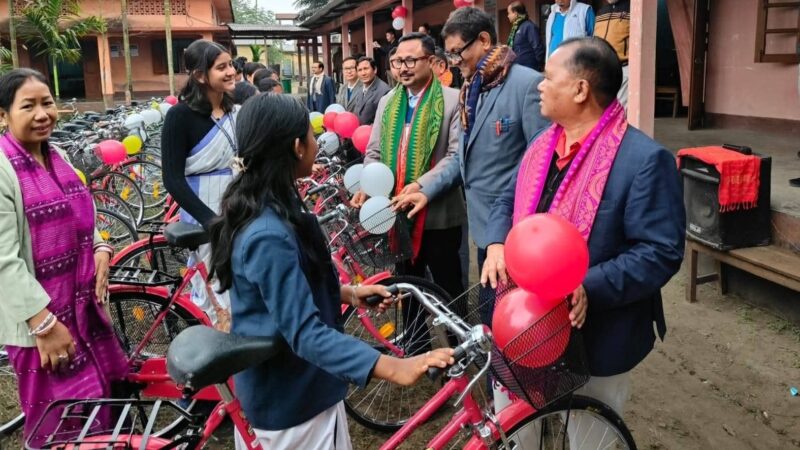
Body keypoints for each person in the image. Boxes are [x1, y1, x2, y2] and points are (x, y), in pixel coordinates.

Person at [207, 94, 454, 449]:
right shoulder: (268, 232)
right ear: (296, 147)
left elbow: (279, 290)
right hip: (295, 402)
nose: (315, 144)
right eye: (310, 135)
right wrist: (393, 367)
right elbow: (305, 333)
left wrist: (347, 293)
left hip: (289, 390)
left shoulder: (268, 203)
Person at [482, 37, 685, 439]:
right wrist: (496, 244)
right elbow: (506, 200)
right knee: (517, 430)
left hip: (598, 331)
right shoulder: (542, 144)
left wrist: (585, 284)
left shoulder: (643, 159)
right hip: (523, 320)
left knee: (589, 437)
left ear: (580, 89)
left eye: (548, 77)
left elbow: (659, 251)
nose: (539, 85)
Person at [0, 68, 127, 445]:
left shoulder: (56, 155)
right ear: (3, 115)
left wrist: (101, 246)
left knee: (97, 411)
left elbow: (82, 217)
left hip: (82, 311)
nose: (42, 114)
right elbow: (4, 260)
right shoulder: (4, 170)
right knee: (58, 423)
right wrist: (44, 325)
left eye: (47, 103)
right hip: (40, 326)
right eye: (28, 106)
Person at [354, 32, 467, 349]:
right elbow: (374, 152)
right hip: (397, 216)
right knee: (406, 285)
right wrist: (368, 183)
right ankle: (417, 349)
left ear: (432, 61)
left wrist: (420, 186)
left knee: (448, 287)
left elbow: (457, 157)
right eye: (396, 62)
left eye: (410, 60)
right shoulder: (388, 103)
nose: (402, 68)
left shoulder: (452, 100)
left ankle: (460, 351)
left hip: (439, 215)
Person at [433, 7, 548, 287]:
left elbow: (540, 160)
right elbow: (463, 157)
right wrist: (425, 190)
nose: (454, 61)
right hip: (482, 225)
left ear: (484, 40)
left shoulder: (526, 84)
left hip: (514, 227)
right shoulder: (470, 88)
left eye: (458, 52)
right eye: (449, 55)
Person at [162, 40, 238, 328]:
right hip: (204, 208)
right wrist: (210, 221)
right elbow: (172, 179)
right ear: (199, 75)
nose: (231, 71)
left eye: (231, 64)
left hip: (236, 203)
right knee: (214, 281)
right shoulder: (180, 116)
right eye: (221, 67)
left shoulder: (234, 110)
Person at [594, 0, 630, 107]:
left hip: (623, 67)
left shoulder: (632, 8)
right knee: (603, 106)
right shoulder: (602, 11)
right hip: (602, 68)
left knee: (620, 107)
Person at [349, 56, 391, 125]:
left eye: (366, 69)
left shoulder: (385, 91)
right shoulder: (359, 90)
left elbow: (384, 121)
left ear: (375, 70)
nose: (363, 73)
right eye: (360, 70)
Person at [507, 1, 545, 72]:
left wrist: (538, 67)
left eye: (509, 13)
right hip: (519, 69)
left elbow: (538, 47)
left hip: (530, 69)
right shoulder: (516, 28)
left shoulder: (529, 26)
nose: (508, 16)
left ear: (515, 13)